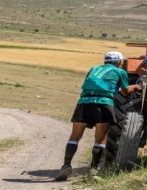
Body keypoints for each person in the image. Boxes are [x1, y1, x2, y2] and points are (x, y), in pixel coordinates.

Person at [55, 51, 141, 181]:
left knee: (75, 136)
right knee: (100, 139)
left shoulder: (93, 69)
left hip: (84, 102)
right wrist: (134, 87)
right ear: (119, 62)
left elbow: (96, 86)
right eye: (122, 62)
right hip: (103, 104)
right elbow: (125, 92)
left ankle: (66, 165)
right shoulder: (120, 72)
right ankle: (94, 170)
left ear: (105, 61)